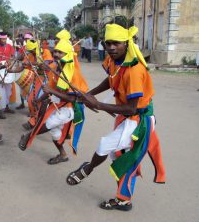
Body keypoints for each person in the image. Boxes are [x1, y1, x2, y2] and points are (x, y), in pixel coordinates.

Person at [66, 23, 166, 211]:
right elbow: (111, 79)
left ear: (127, 43)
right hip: (128, 116)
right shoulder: (114, 60)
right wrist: (89, 94)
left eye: (117, 43)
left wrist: (98, 104)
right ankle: (124, 199)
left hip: (138, 120)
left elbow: (131, 108)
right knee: (118, 156)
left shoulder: (134, 70)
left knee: (106, 145)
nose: (111, 47)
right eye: (108, 43)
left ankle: (88, 169)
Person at [18, 39, 88, 164]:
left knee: (48, 123)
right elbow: (50, 89)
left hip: (69, 108)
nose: (56, 54)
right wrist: (38, 100)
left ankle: (28, 136)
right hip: (58, 104)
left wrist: (52, 91)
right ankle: (63, 155)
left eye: (60, 52)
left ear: (67, 54)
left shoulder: (73, 71)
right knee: (55, 133)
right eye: (55, 51)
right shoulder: (56, 67)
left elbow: (72, 98)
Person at [21, 39, 54, 130]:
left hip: (47, 79)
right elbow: (23, 65)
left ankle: (33, 122)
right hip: (36, 79)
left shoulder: (46, 52)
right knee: (31, 100)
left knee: (40, 101)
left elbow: (45, 65)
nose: (31, 52)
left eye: (32, 50)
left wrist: (31, 63)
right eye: (30, 51)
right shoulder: (30, 55)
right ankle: (34, 119)